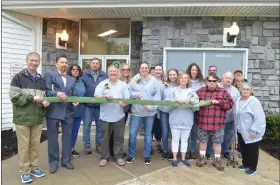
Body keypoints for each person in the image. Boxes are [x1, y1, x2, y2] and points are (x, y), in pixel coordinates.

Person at [10, 52, 49, 184]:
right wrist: (32, 98)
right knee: (24, 146)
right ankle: (25, 171)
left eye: (36, 61)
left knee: (35, 145)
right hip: (22, 118)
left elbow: (42, 97)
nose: (34, 63)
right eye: (32, 60)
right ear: (27, 61)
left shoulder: (40, 79)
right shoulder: (18, 77)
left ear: (39, 62)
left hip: (37, 118)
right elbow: (14, 98)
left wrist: (45, 103)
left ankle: (34, 168)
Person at [44, 55, 77, 173]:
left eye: (66, 62)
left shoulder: (72, 79)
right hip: (53, 111)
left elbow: (72, 94)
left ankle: (66, 161)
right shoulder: (49, 74)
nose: (64, 64)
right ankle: (53, 163)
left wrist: (75, 100)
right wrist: (57, 94)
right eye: (62, 62)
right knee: (53, 138)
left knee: (67, 138)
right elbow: (46, 90)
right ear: (56, 64)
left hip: (68, 112)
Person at [196, 73, 234, 171]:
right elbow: (193, 102)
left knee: (217, 143)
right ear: (206, 81)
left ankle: (217, 160)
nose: (212, 83)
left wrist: (220, 102)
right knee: (203, 142)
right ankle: (202, 159)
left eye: (214, 81)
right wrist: (195, 102)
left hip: (218, 124)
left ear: (217, 82)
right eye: (210, 81)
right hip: (203, 123)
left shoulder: (223, 92)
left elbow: (230, 104)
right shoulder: (200, 91)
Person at [95, 65, 130, 167]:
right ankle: (104, 157)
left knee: (118, 138)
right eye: (111, 71)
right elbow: (96, 96)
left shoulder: (123, 85)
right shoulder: (103, 84)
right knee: (104, 138)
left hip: (119, 116)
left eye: (115, 71)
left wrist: (124, 104)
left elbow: (127, 99)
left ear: (118, 72)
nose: (113, 73)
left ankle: (118, 156)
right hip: (105, 116)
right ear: (107, 72)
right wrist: (104, 96)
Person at [126, 62, 161, 165]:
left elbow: (157, 97)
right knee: (132, 134)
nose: (144, 69)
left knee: (148, 134)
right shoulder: (135, 79)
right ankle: (131, 155)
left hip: (149, 113)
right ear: (139, 69)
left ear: (149, 69)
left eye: (146, 68)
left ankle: (147, 155)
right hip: (136, 111)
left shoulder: (154, 81)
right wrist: (136, 94)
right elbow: (128, 91)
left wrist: (151, 107)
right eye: (142, 68)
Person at [166, 73, 199, 167]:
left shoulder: (191, 91)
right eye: (182, 78)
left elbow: (196, 102)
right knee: (175, 139)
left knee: (185, 140)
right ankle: (175, 158)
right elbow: (168, 102)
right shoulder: (173, 91)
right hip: (175, 119)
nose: (183, 79)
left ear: (188, 80)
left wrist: (191, 101)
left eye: (185, 78)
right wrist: (175, 102)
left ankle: (184, 158)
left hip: (187, 119)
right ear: (178, 79)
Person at [233, 83, 266, 175]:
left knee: (252, 150)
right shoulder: (238, 100)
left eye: (248, 89)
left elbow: (259, 117)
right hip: (241, 130)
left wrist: (254, 130)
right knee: (243, 148)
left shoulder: (254, 101)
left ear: (251, 91)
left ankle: (252, 167)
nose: (245, 91)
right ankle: (245, 163)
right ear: (240, 90)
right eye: (243, 89)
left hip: (252, 131)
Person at [81, 58, 108, 154]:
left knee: (100, 127)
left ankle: (99, 144)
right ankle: (87, 145)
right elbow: (80, 87)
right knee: (86, 126)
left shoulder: (104, 75)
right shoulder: (84, 74)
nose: (95, 65)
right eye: (93, 63)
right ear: (90, 64)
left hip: (100, 105)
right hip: (87, 105)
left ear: (99, 65)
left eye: (97, 63)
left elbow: (107, 88)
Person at [109, 63, 131, 157]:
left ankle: (118, 151)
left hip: (125, 110)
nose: (125, 71)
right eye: (123, 69)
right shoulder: (117, 80)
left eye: (127, 70)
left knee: (120, 132)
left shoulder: (132, 81)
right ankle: (111, 151)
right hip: (115, 109)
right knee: (113, 131)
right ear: (120, 71)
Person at [185, 63, 205, 159]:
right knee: (186, 130)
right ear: (189, 71)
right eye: (192, 70)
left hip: (197, 110)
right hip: (186, 110)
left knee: (194, 131)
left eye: (196, 70)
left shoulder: (202, 82)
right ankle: (185, 150)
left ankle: (192, 150)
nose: (194, 72)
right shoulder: (185, 81)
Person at [158, 69, 179, 160]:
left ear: (177, 75)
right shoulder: (164, 86)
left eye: (174, 74)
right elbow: (159, 99)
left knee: (174, 132)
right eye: (170, 74)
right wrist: (158, 112)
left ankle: (173, 151)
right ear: (168, 76)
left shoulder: (179, 86)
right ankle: (165, 151)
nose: (172, 76)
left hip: (174, 112)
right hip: (164, 112)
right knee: (165, 131)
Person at [219, 72, 240, 160]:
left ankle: (225, 150)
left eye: (230, 78)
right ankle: (214, 151)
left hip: (230, 117)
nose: (228, 80)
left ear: (232, 80)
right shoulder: (217, 87)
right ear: (222, 79)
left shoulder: (235, 90)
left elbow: (238, 103)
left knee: (228, 135)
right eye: (226, 78)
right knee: (217, 135)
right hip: (218, 118)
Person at [67, 64, 86, 158]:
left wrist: (80, 100)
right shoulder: (66, 80)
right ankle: (66, 150)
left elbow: (84, 94)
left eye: (77, 69)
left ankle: (72, 149)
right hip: (68, 110)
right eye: (73, 69)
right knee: (68, 131)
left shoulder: (81, 82)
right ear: (70, 70)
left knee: (75, 130)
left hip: (79, 110)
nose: (75, 71)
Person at [152, 64, 165, 153]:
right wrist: (156, 111)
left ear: (162, 71)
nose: (158, 71)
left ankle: (158, 144)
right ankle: (148, 147)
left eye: (159, 69)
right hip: (151, 108)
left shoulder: (164, 82)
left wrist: (159, 111)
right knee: (150, 128)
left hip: (161, 108)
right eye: (156, 69)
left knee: (159, 128)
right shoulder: (150, 81)